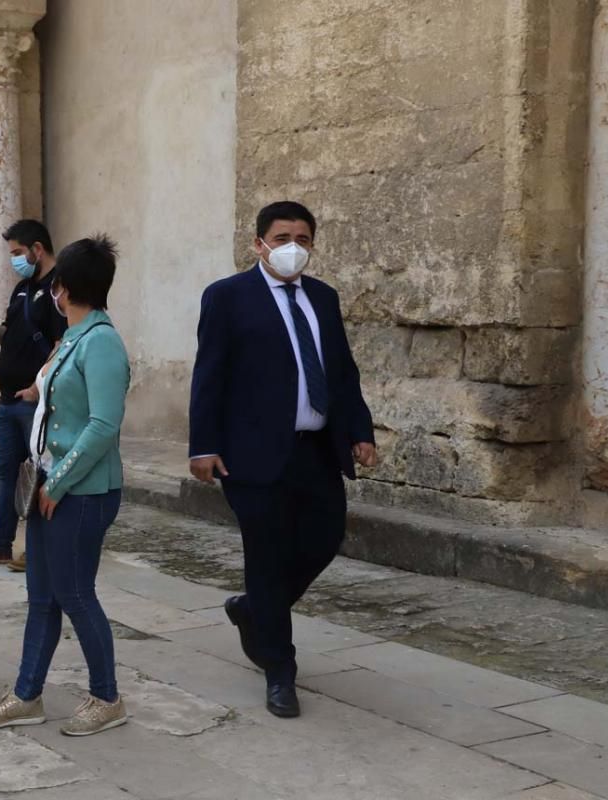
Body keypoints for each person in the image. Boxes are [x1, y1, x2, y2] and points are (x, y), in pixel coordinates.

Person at [188, 201, 377, 719]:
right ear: (259, 244)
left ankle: (253, 610)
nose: (293, 246)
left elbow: (342, 371)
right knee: (266, 558)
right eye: (281, 237)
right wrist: (202, 445)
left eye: (303, 237)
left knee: (325, 537)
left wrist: (359, 430)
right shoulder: (228, 297)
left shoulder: (323, 297)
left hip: (315, 449)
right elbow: (210, 374)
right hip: (251, 455)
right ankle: (279, 670)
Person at [0, 235, 131, 737]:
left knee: (76, 593)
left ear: (62, 288)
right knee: (41, 595)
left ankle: (107, 697)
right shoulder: (78, 335)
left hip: (82, 491)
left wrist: (58, 483)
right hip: (52, 484)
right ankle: (26, 694)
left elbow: (103, 425)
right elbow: (57, 393)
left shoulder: (101, 341)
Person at [0, 219, 66, 571]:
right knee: (8, 474)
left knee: (41, 473)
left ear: (38, 249)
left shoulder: (59, 289)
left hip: (36, 403)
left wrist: (39, 386)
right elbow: (11, 336)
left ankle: (40, 549)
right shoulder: (23, 288)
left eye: (18, 253)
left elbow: (61, 344)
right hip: (10, 402)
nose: (15, 260)